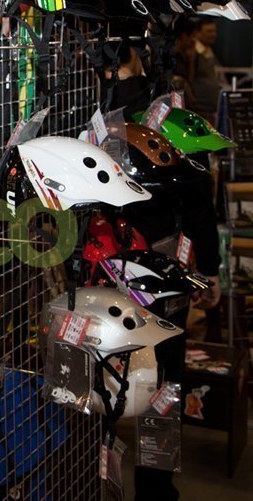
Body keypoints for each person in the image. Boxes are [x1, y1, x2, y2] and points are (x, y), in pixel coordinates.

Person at [104, 49, 221, 501]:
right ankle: (155, 488)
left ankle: (94, 477)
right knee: (165, 381)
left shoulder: (87, 109)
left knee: (100, 379)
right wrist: (208, 269)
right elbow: (199, 202)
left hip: (102, 264)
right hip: (162, 269)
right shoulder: (170, 114)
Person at [190, 18, 224, 122]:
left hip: (210, 109)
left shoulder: (208, 50)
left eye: (214, 31)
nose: (213, 35)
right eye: (209, 31)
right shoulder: (192, 52)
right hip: (198, 109)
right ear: (197, 33)